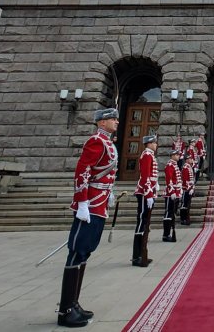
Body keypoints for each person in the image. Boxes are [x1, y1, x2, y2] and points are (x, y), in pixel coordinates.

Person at [56, 108, 119, 328]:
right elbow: (83, 170)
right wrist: (82, 201)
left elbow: (104, 172)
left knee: (85, 252)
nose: (116, 122)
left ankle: (74, 304)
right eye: (113, 119)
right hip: (90, 204)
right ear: (101, 123)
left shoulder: (108, 143)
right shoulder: (96, 141)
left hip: (98, 204)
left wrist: (108, 193)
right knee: (77, 252)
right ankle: (65, 310)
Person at [132, 134, 158, 268]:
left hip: (148, 191)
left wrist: (155, 187)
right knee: (142, 221)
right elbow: (145, 176)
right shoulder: (147, 155)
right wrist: (148, 193)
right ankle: (137, 256)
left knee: (145, 222)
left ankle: (141, 254)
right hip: (144, 192)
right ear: (149, 143)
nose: (156, 145)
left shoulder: (150, 155)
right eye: (154, 142)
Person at [162, 148, 182, 242]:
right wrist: (172, 191)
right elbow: (169, 180)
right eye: (177, 155)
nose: (178, 156)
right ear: (172, 156)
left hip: (176, 192)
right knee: (168, 213)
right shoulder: (170, 165)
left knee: (172, 213)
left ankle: (169, 233)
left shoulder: (175, 165)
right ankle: (166, 234)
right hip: (171, 193)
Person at [180, 155, 195, 226]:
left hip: (189, 188)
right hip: (185, 189)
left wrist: (192, 187)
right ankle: (183, 219)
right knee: (184, 204)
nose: (192, 159)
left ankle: (186, 218)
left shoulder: (189, 167)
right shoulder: (186, 167)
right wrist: (189, 188)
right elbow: (185, 180)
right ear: (186, 160)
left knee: (187, 204)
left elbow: (191, 179)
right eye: (190, 158)